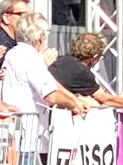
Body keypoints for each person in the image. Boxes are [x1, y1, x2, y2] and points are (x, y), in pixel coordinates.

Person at [1, 13, 93, 150]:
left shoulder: (12, 54)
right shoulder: (31, 58)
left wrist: (73, 99)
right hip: (28, 137)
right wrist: (73, 105)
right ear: (41, 37)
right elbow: (51, 95)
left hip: (15, 133)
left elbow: (51, 84)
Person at [50, 32, 123, 108]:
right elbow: (104, 100)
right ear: (94, 58)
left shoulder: (59, 60)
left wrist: (117, 99)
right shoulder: (82, 72)